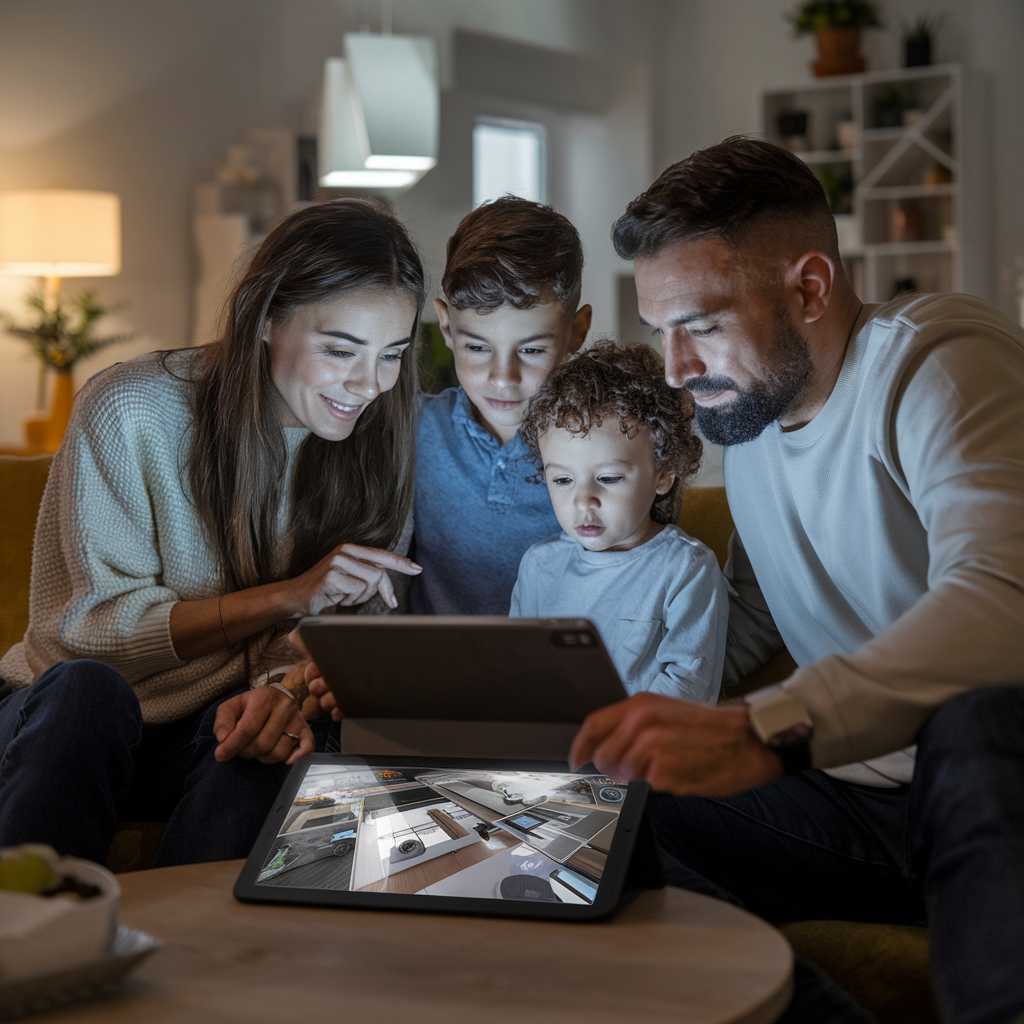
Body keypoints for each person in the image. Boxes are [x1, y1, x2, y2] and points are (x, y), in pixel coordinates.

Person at [568, 137, 1024, 1024]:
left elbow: (1002, 601)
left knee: (974, 721)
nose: (675, 370)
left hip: (996, 779)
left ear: (809, 288)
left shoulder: (938, 362)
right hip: (865, 808)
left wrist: (767, 727)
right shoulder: (753, 433)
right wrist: (592, 705)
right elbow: (752, 623)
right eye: (662, 331)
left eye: (699, 325)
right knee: (613, 811)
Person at [0, 198, 425, 866]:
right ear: (265, 317)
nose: (369, 383)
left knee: (268, 737)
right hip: (68, 723)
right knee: (89, 694)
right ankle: (32, 947)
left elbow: (329, 645)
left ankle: (193, 961)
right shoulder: (131, 408)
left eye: (393, 353)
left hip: (206, 730)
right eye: (340, 349)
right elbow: (80, 637)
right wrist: (288, 595)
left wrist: (283, 695)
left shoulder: (383, 442)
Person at [511, 340, 727, 703]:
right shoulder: (538, 566)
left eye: (609, 478)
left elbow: (688, 688)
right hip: (548, 752)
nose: (583, 500)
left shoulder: (687, 569)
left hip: (643, 752)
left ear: (663, 474)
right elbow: (517, 671)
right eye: (562, 480)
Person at [409, 196, 592, 615]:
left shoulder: (606, 452)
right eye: (477, 346)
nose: (502, 378)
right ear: (446, 326)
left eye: (530, 350)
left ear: (576, 331)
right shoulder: (414, 431)